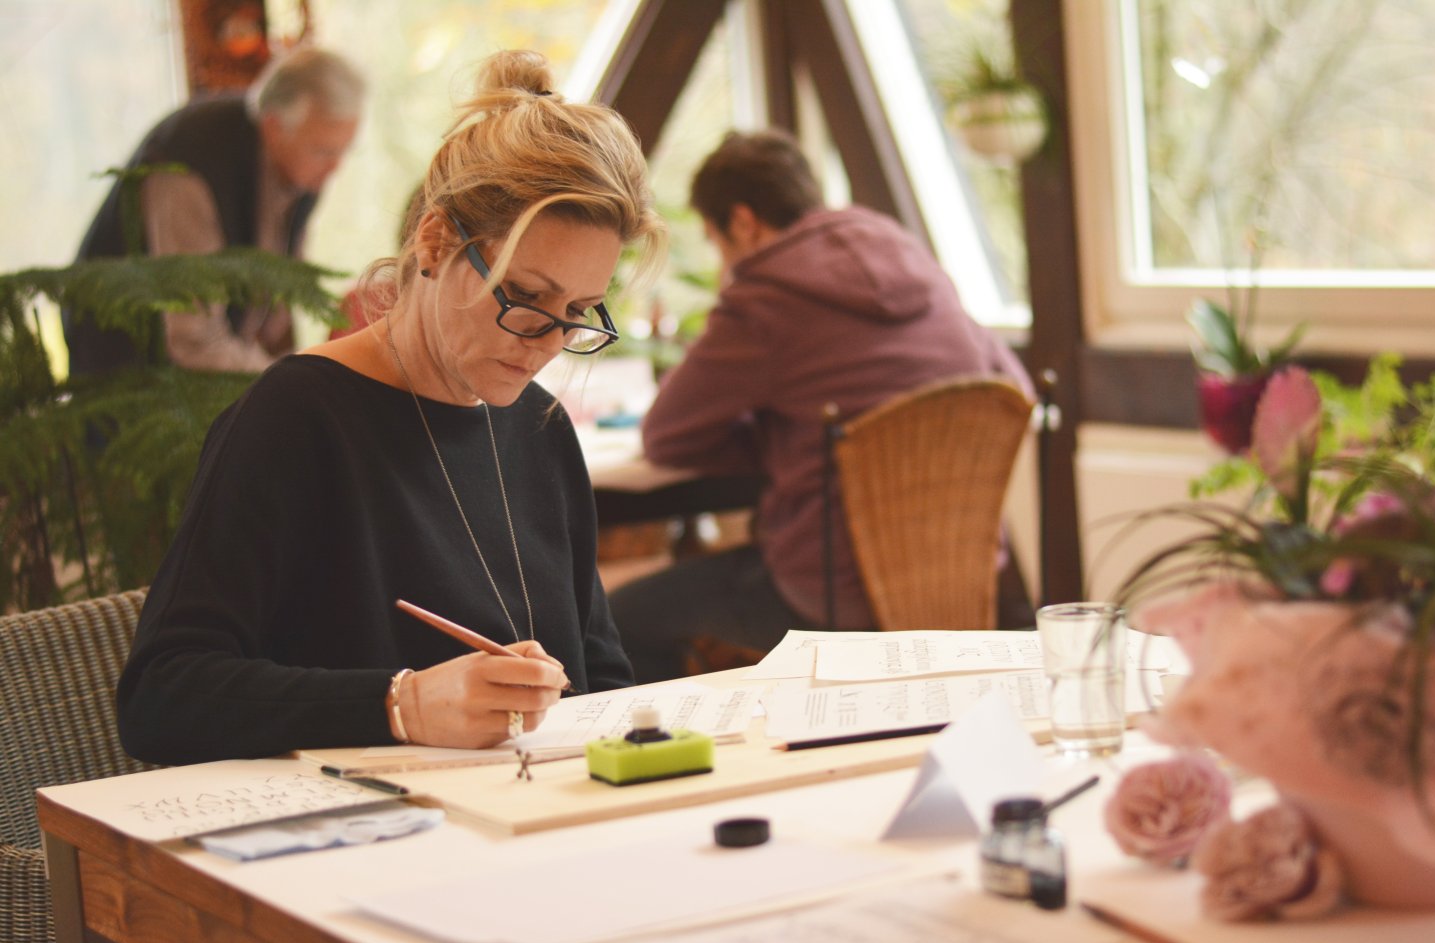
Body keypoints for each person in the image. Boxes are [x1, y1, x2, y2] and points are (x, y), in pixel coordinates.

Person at [116, 50, 667, 766]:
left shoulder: (540, 428)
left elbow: (600, 681)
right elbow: (161, 698)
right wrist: (401, 705)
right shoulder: (295, 418)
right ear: (435, 240)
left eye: (577, 312)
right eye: (525, 299)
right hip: (350, 847)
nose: (547, 344)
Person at [609, 129, 1033, 683]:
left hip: (832, 597)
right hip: (965, 581)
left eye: (715, 242)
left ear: (742, 222)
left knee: (621, 618)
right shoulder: (912, 256)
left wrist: (765, 439)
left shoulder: (764, 298)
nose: (721, 264)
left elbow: (665, 435)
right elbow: (1013, 388)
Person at [65, 46, 365, 375]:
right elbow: (194, 340)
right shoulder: (190, 168)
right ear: (274, 127)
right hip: (124, 369)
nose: (336, 167)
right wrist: (284, 387)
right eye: (323, 151)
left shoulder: (301, 172)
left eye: (343, 151)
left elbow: (277, 303)